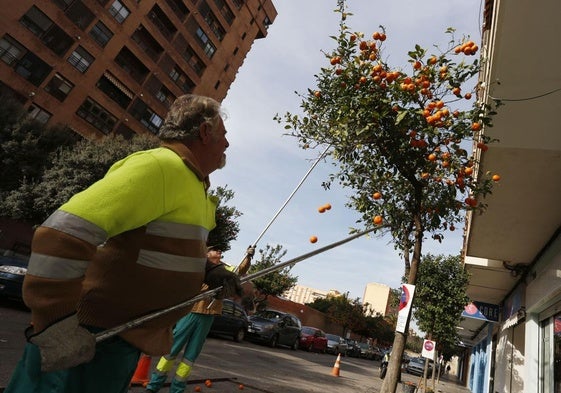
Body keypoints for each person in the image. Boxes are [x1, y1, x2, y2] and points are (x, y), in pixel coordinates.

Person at [5, 94, 243, 393]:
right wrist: (56, 326)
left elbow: (154, 249)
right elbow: (62, 234)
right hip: (88, 339)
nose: (227, 144)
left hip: (119, 340)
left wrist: (207, 272)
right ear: (205, 133)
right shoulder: (161, 167)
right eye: (223, 135)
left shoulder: (192, 184)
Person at [145, 245, 254, 393]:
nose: (219, 251)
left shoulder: (225, 269)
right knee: (173, 349)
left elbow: (240, 270)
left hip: (208, 314)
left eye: (220, 250)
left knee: (191, 355)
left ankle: (177, 389)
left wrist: (248, 256)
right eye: (216, 249)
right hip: (192, 311)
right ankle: (154, 385)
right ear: (207, 254)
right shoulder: (200, 266)